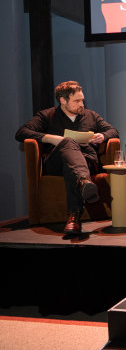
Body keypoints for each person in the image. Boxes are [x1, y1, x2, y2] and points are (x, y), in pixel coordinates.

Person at [15, 81, 119, 235]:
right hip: (57, 162)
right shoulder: (46, 116)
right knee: (67, 142)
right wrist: (50, 138)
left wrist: (102, 135)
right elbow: (21, 133)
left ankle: (74, 214)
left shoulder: (91, 115)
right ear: (63, 100)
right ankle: (84, 182)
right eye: (77, 101)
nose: (81, 103)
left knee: (73, 170)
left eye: (82, 99)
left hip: (87, 161)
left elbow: (113, 131)